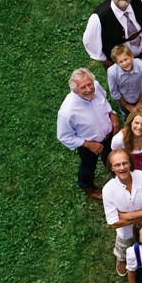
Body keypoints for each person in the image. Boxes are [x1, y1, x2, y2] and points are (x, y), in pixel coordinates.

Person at [57, 68, 118, 200]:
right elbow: (64, 136)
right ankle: (88, 187)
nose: (89, 89)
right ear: (75, 89)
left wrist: (112, 114)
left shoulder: (95, 86)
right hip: (89, 145)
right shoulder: (68, 111)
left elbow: (104, 100)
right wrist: (88, 144)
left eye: (89, 84)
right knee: (88, 166)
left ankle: (115, 172)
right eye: (83, 87)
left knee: (110, 155)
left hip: (108, 135)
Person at [103, 149, 142, 278]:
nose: (122, 168)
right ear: (111, 168)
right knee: (123, 248)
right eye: (117, 165)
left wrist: (126, 216)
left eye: (125, 163)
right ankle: (121, 259)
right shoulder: (108, 190)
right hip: (126, 231)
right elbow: (114, 223)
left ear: (131, 163)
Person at [83, 0, 142, 67]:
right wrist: (108, 62)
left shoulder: (137, 0)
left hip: (138, 50)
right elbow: (89, 41)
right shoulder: (99, 17)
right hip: (117, 62)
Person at [106, 44, 142, 119]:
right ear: (116, 63)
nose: (125, 63)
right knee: (127, 116)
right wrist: (127, 106)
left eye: (126, 59)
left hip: (140, 96)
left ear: (132, 56)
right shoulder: (112, 73)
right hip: (124, 100)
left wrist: (140, 102)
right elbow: (115, 93)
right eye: (120, 62)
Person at [111, 108, 142, 178]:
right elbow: (115, 156)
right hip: (130, 171)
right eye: (136, 123)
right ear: (131, 122)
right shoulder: (119, 139)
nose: (139, 127)